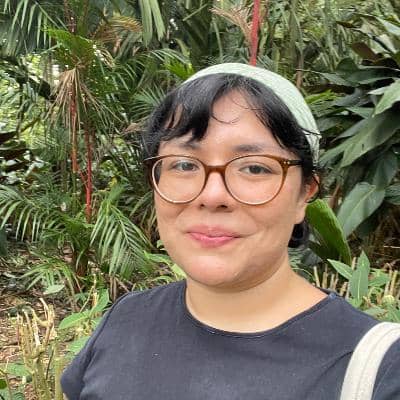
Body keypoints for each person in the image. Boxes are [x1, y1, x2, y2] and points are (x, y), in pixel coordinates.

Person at [61, 63, 400, 399]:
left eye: (255, 168)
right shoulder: (125, 320)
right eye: (184, 164)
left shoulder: (381, 370)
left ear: (305, 194)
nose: (212, 196)